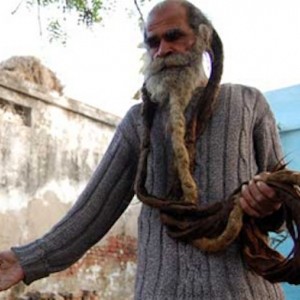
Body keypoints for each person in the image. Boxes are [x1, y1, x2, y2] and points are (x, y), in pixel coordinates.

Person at [0, 0, 286, 299]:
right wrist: (24, 260)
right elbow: (91, 213)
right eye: (153, 42)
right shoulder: (137, 123)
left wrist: (269, 203)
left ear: (203, 38)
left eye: (174, 36)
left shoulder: (248, 103)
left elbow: (280, 207)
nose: (162, 50)